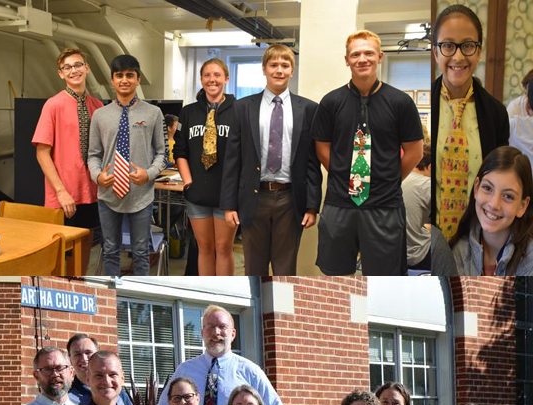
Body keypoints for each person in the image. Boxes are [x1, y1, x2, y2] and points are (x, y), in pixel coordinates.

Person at [313, 30, 424, 275]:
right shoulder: (331, 102)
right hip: (340, 205)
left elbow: (414, 152)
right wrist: (345, 174)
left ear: (380, 56)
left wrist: (389, 178)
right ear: (346, 60)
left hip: (384, 207)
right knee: (336, 276)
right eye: (355, 54)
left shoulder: (400, 103)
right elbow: (321, 147)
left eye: (368, 53)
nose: (362, 59)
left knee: (385, 278)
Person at [221, 44, 322, 276]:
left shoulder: (308, 109)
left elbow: (312, 162)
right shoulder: (243, 107)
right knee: (254, 269)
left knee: (285, 269)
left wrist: (312, 205)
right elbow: (232, 159)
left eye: (285, 65)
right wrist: (229, 205)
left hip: (291, 199)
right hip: (254, 198)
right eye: (274, 65)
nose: (279, 70)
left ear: (292, 71)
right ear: (264, 69)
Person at [145, 305, 289, 405]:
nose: (216, 332)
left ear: (232, 334)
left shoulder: (250, 371)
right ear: (202, 333)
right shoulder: (185, 370)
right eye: (210, 327)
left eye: (222, 326)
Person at [432, 4, 509, 241]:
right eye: (447, 45)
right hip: (429, 238)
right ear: (436, 52)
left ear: (479, 51)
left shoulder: (496, 113)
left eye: (467, 45)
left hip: (478, 236)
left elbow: (499, 178)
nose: (457, 56)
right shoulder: (414, 110)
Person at [87, 54, 166, 276]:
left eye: (130, 75)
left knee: (141, 252)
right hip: (108, 195)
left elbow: (162, 153)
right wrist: (97, 176)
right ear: (112, 80)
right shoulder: (100, 115)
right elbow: (93, 155)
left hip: (141, 196)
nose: (124, 80)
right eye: (119, 75)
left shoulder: (153, 113)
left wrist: (149, 174)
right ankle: (113, 294)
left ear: (138, 79)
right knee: (110, 249)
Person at [174, 58, 237, 275]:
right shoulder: (188, 112)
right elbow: (179, 151)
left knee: (223, 248)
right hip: (197, 193)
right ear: (201, 80)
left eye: (217, 75)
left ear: (226, 79)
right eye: (207, 75)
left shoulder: (239, 110)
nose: (212, 80)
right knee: (205, 248)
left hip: (227, 195)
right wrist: (188, 181)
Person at [33, 48, 104, 228]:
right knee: (60, 250)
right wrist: (61, 191)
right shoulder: (53, 105)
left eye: (78, 65)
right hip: (63, 194)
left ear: (87, 68)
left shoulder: (98, 106)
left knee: (85, 244)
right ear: (61, 74)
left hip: (92, 191)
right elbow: (42, 153)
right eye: (67, 68)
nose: (73, 71)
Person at [449, 145, 533, 275]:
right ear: (476, 188)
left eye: (508, 196)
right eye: (488, 188)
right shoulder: (457, 252)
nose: (494, 204)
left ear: (522, 206)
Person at [64, 333, 133, 405]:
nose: (83, 358)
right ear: (70, 358)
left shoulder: (120, 395)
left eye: (88, 352)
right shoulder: (65, 397)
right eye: (77, 354)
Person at [402, 142, 437, 272]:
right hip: (415, 255)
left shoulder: (400, 177)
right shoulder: (426, 185)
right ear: (430, 167)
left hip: (392, 253)